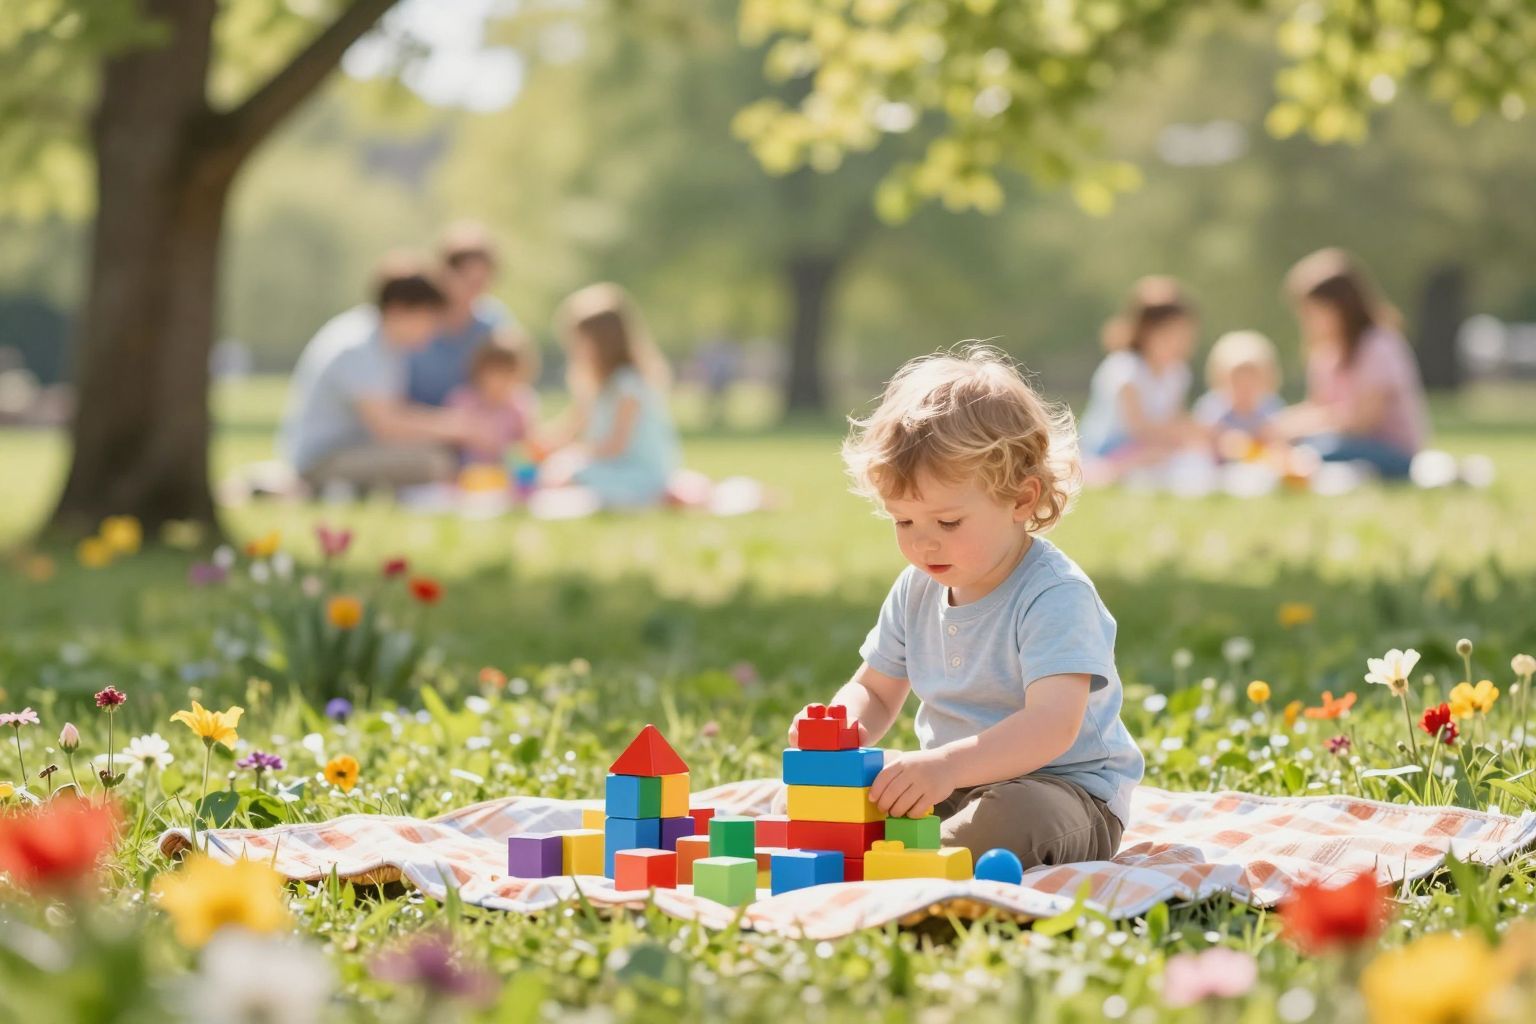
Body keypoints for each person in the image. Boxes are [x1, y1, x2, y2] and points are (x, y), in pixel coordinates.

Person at [789, 346, 1143, 870]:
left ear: (1022, 499)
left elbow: (1051, 725)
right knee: (832, 803)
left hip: (1063, 794)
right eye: (903, 522)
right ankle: (904, 851)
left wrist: (947, 767)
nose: (923, 545)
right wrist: (840, 725)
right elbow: (875, 690)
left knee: (1005, 818)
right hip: (951, 783)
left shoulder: (1055, 595)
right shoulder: (916, 589)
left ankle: (920, 859)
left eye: (948, 523)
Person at [281, 255, 486, 493]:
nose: (432, 332)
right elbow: (387, 426)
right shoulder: (359, 346)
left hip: (349, 450)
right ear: (399, 310)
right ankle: (321, 488)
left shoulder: (385, 345)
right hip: (322, 459)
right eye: (429, 320)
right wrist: (457, 427)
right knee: (433, 462)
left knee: (435, 458)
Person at [1271, 248, 1429, 479]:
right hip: (1344, 443)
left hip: (1391, 451)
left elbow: (1364, 422)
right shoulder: (1326, 352)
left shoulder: (1378, 345)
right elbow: (1318, 406)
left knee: (1312, 452)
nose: (1305, 321)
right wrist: (1279, 426)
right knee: (1294, 450)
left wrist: (1301, 430)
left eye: (1311, 311)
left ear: (1339, 308)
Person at [537, 283, 680, 508]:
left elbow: (615, 446)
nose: (574, 349)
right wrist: (537, 443)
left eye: (580, 341)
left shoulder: (628, 384)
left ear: (604, 342)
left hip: (638, 473)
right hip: (613, 466)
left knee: (563, 476)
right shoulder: (598, 385)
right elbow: (570, 428)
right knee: (555, 471)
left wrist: (572, 456)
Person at [1078, 277, 1205, 470]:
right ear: (1146, 333)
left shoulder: (1177, 373)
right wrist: (1178, 435)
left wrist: (1194, 433)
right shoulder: (1125, 369)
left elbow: (1174, 417)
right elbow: (1137, 427)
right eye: (1170, 335)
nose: (1179, 343)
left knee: (1190, 453)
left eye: (1184, 336)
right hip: (1108, 446)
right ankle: (1107, 471)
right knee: (1157, 455)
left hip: (1149, 444)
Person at [406, 221, 515, 408]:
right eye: (466, 280)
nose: (473, 291)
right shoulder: (417, 321)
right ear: (444, 274)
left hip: (472, 426)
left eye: (481, 282)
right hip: (417, 426)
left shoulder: (494, 324)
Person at [445, 330, 540, 465]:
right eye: (495, 372)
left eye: (508, 373)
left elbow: (528, 444)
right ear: (480, 371)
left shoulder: (520, 405)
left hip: (505, 473)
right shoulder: (463, 400)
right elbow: (450, 445)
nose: (500, 381)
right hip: (467, 475)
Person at [1193, 330, 1285, 459]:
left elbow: (1278, 438)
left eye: (1252, 379)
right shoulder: (1212, 407)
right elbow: (1202, 440)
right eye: (1237, 379)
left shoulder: (1270, 406)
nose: (1245, 386)